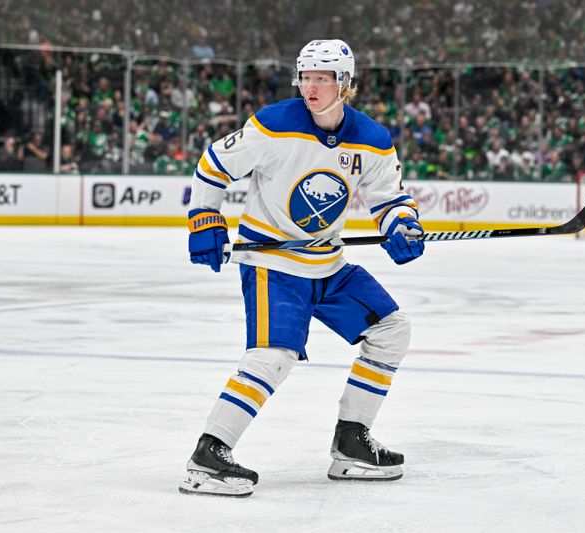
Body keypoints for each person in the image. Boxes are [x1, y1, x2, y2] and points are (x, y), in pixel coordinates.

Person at [180, 39, 425, 498]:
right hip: (272, 262)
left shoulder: (371, 139)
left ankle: (352, 442)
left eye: (323, 78)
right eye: (306, 77)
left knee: (392, 329)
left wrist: (402, 225)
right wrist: (205, 217)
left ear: (344, 84)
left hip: (327, 263)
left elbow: (389, 197)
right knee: (274, 355)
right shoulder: (273, 125)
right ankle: (209, 454)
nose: (311, 87)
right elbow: (212, 165)